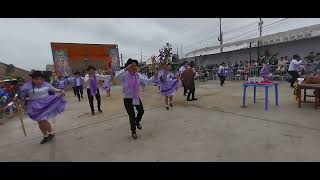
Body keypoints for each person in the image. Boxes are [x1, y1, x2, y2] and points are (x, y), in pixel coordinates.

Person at [19, 71, 66, 144]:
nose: (39, 81)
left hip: (46, 105)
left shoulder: (46, 85)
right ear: (32, 79)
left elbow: (55, 90)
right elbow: (21, 95)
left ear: (43, 79)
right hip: (34, 107)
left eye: (41, 79)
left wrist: (61, 91)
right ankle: (45, 136)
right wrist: (18, 98)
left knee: (43, 121)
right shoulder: (27, 86)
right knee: (40, 123)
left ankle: (51, 133)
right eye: (36, 79)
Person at [114, 59, 154, 139]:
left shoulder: (138, 75)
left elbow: (147, 81)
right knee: (131, 115)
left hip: (136, 97)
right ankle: (133, 131)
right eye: (132, 66)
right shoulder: (124, 74)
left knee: (141, 111)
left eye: (136, 66)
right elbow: (116, 76)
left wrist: (154, 76)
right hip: (127, 98)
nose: (135, 68)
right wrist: (125, 69)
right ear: (129, 66)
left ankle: (137, 121)